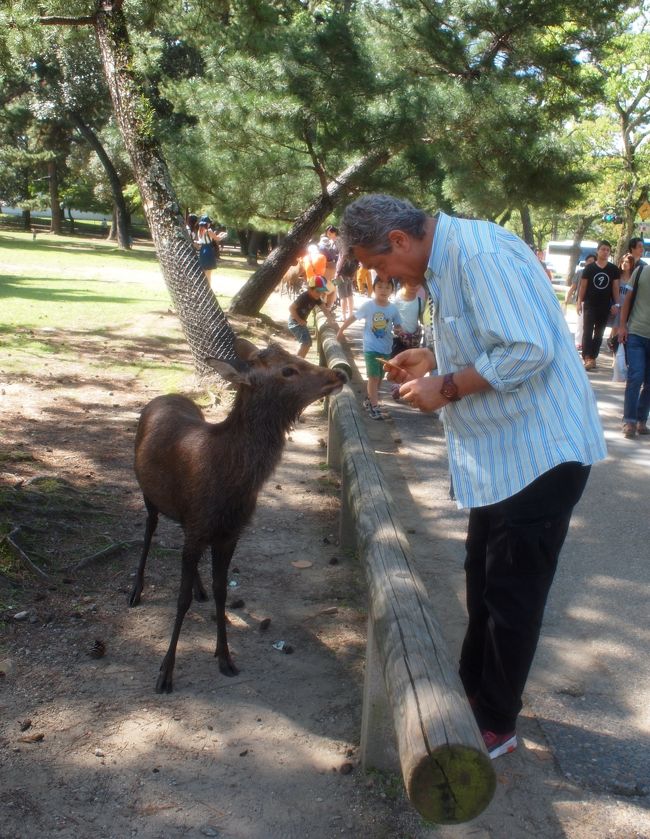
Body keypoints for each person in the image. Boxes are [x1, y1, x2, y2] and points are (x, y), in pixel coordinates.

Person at [339, 194, 606, 758]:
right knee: (482, 579)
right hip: (502, 455)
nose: (382, 277)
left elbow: (529, 348)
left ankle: (494, 723)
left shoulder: (480, 254)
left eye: (381, 265)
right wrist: (433, 357)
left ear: (401, 241)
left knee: (512, 595)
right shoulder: (446, 258)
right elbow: (489, 331)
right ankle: (471, 694)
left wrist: (450, 386)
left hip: (541, 452)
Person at [336, 276, 402, 421]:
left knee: (379, 379)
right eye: (380, 286)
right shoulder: (368, 306)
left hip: (386, 349)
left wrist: (398, 330)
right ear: (374, 288)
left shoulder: (393, 309)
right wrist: (341, 329)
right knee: (373, 377)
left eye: (387, 287)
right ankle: (374, 406)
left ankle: (369, 400)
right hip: (371, 348)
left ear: (392, 290)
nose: (383, 290)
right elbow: (354, 317)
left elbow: (397, 325)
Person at [577, 240, 621, 371]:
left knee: (599, 333)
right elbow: (583, 286)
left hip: (604, 305)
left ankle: (593, 357)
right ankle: (587, 357)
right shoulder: (589, 268)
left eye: (608, 250)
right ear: (598, 251)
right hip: (590, 304)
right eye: (603, 249)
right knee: (587, 331)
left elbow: (615, 287)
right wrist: (579, 302)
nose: (605, 252)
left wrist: (617, 304)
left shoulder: (613, 269)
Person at [618, 262, 650, 438]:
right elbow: (627, 299)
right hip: (636, 333)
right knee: (636, 376)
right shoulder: (640, 271)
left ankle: (641, 420)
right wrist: (622, 326)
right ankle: (629, 421)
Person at [288, 274, 329, 358]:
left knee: (306, 343)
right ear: (310, 289)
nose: (319, 294)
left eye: (321, 292)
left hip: (300, 323)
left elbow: (324, 308)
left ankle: (298, 359)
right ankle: (298, 362)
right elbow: (291, 308)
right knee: (306, 343)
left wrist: (331, 319)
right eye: (318, 291)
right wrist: (299, 320)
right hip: (295, 322)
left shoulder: (316, 298)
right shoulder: (303, 297)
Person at [565, 253, 596, 351]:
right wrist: (567, 298)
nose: (590, 263)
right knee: (580, 322)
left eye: (593, 261)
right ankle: (578, 342)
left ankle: (587, 342)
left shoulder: (596, 274)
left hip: (592, 301)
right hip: (581, 301)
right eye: (589, 261)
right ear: (586, 262)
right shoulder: (580, 272)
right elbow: (573, 286)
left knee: (590, 324)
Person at [391, 282, 425, 357]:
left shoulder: (420, 300)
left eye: (417, 282)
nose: (414, 285)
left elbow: (423, 317)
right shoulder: (397, 297)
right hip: (398, 339)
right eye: (410, 282)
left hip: (413, 340)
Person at [195, 215, 222, 286]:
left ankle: (202, 287)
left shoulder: (199, 230)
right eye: (209, 223)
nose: (209, 224)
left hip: (202, 250)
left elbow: (200, 241)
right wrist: (223, 235)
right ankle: (208, 288)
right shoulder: (209, 230)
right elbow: (217, 238)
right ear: (207, 223)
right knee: (209, 273)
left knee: (203, 271)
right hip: (208, 250)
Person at [334, 250, 358, 322]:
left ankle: (343, 316)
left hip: (342, 274)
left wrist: (337, 272)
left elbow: (341, 260)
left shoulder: (344, 248)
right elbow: (357, 263)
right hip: (350, 274)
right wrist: (354, 274)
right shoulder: (355, 250)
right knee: (350, 295)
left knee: (342, 296)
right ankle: (350, 314)